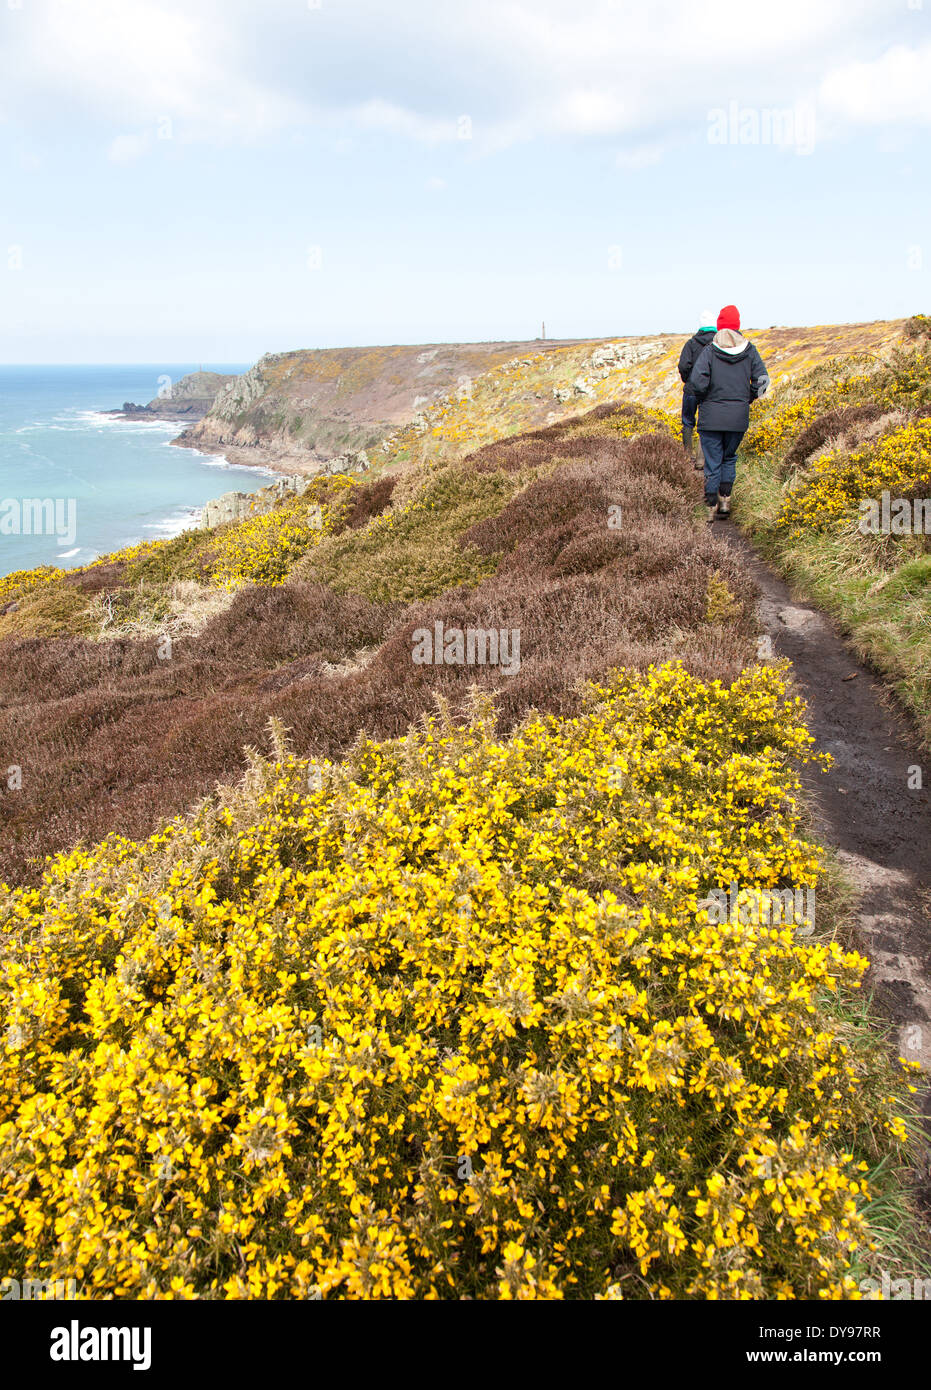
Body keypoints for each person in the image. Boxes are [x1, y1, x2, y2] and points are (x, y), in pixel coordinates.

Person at [688, 304, 770, 523]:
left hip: (711, 417)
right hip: (738, 417)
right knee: (729, 458)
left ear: (720, 327)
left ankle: (710, 507)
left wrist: (705, 396)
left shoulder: (710, 351)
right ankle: (725, 500)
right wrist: (748, 398)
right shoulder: (750, 350)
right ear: (738, 326)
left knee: (712, 462)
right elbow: (763, 380)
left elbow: (696, 382)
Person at [677, 310, 716, 464]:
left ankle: (687, 457)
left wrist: (688, 380)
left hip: (692, 389)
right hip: (710, 390)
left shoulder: (691, 343)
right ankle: (701, 459)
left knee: (687, 421)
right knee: (704, 422)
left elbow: (683, 365)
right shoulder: (717, 344)